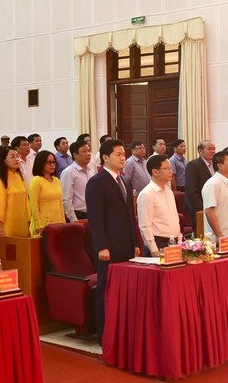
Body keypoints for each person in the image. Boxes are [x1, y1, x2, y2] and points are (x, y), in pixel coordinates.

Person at [85, 139, 141, 343]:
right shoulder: (97, 182)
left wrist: (136, 243)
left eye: (123, 154)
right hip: (108, 247)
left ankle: (122, 331)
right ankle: (104, 334)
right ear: (105, 157)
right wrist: (102, 246)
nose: (122, 157)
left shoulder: (125, 180)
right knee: (106, 290)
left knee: (125, 290)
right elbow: (95, 217)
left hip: (126, 245)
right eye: (118, 154)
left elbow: (130, 215)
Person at [137, 155, 181, 257]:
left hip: (174, 243)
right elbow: (145, 225)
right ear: (155, 172)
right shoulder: (147, 194)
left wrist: (179, 239)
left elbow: (174, 217)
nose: (171, 171)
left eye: (171, 168)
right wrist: (154, 249)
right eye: (166, 168)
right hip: (158, 244)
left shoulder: (168, 191)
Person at [0, 145, 30, 237]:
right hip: (7, 225)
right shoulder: (1, 179)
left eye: (17, 156)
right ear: (4, 161)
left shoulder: (20, 177)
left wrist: (28, 223)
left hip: (21, 223)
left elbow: (26, 202)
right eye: (12, 157)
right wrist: (0, 230)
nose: (16, 159)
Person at [28, 151, 65, 236]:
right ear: (41, 163)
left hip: (58, 223)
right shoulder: (36, 181)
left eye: (53, 162)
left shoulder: (56, 180)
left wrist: (63, 223)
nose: (52, 165)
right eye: (48, 162)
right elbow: (34, 205)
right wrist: (39, 226)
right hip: (43, 225)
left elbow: (60, 204)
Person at [60, 140, 96, 222]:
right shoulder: (68, 172)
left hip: (93, 213)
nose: (88, 154)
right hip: (78, 214)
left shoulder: (91, 170)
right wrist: (74, 220)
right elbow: (66, 199)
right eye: (84, 151)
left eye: (89, 151)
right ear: (75, 154)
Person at [185, 140, 216, 226]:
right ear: (200, 151)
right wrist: (201, 209)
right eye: (209, 149)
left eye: (214, 149)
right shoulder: (193, 165)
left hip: (214, 207)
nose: (213, 151)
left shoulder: (216, 165)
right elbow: (191, 191)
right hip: (200, 209)